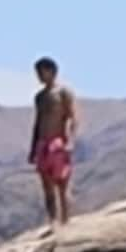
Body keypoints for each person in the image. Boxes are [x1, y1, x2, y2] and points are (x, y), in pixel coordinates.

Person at [28, 56, 78, 225]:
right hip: (43, 142)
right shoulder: (39, 97)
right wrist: (33, 148)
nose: (39, 77)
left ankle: (66, 220)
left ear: (51, 71)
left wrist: (70, 140)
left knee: (62, 183)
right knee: (46, 184)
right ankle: (53, 220)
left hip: (58, 141)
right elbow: (38, 122)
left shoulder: (63, 92)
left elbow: (72, 117)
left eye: (41, 72)